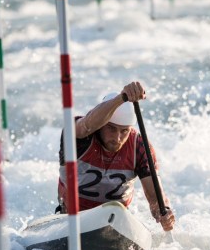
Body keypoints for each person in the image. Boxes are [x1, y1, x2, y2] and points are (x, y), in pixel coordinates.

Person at [57, 81, 175, 231]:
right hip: (71, 218)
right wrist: (122, 98)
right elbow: (87, 124)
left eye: (124, 131)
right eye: (111, 129)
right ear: (101, 124)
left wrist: (163, 212)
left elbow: (155, 198)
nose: (117, 138)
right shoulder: (78, 136)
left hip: (114, 225)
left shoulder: (139, 146)